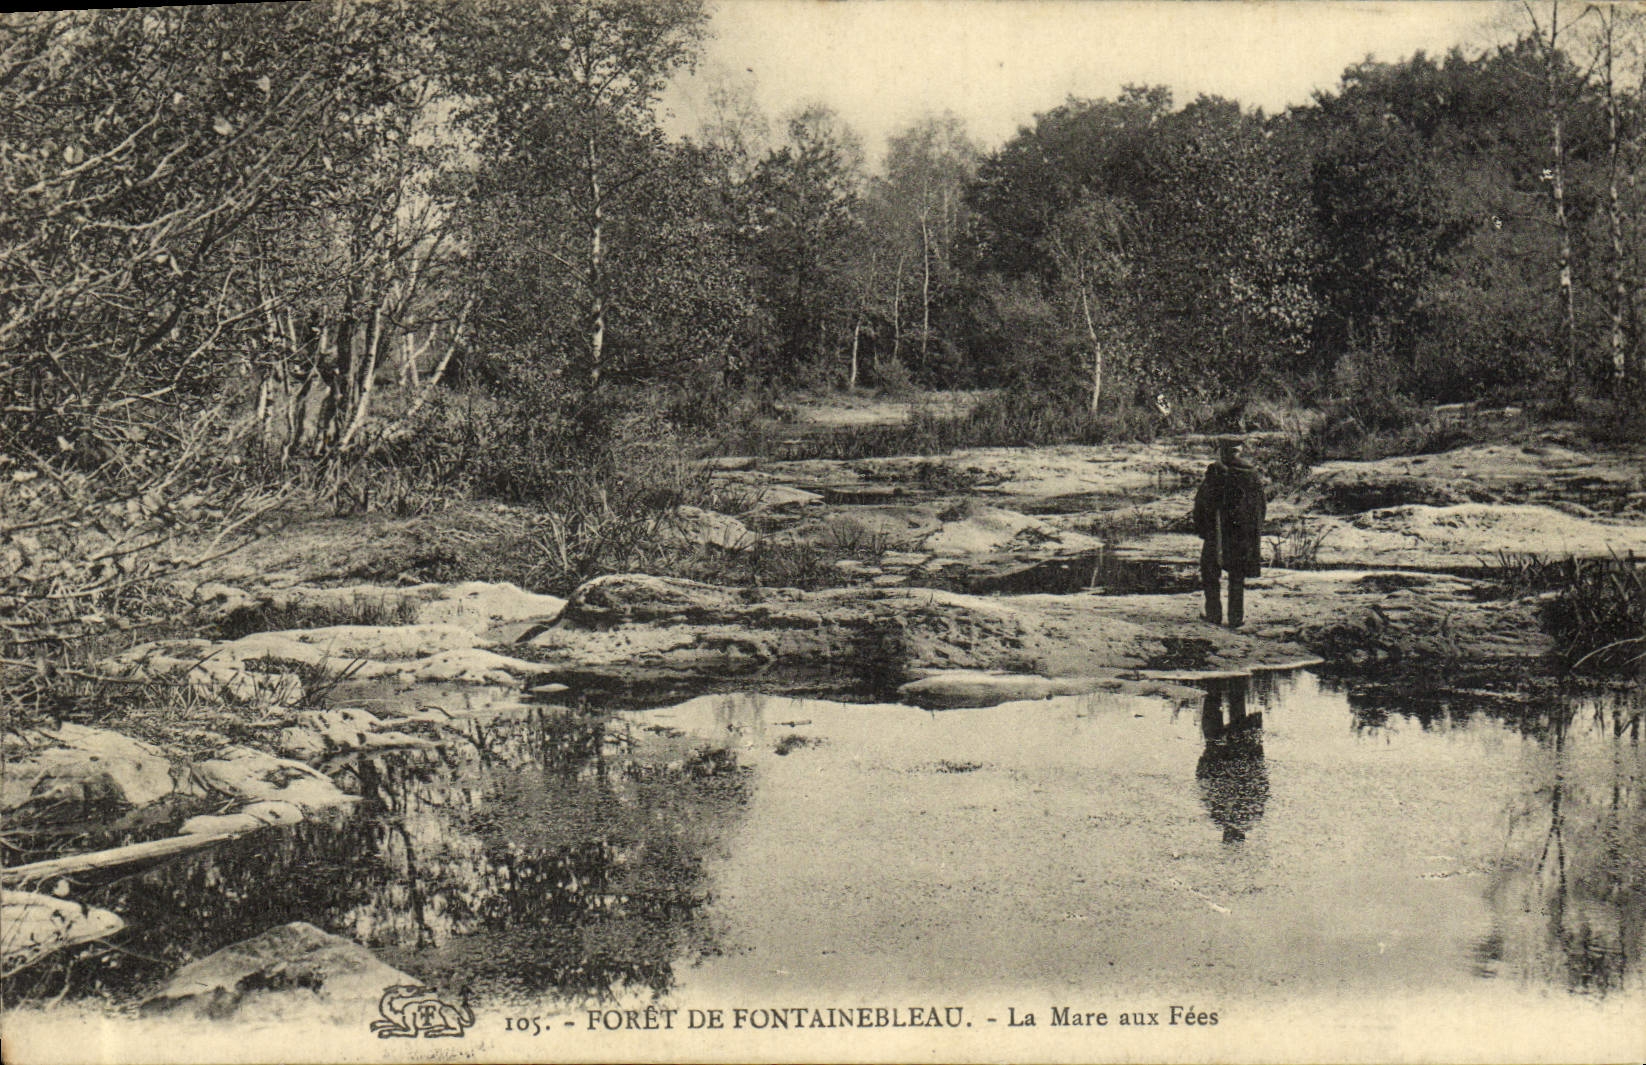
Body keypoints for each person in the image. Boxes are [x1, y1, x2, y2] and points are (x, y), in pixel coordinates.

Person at [1192, 434, 1265, 628]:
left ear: (1222, 451)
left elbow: (1202, 501)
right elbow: (1259, 507)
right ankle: (1235, 618)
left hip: (1216, 532)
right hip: (1241, 534)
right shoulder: (1251, 474)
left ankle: (1214, 614)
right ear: (1240, 450)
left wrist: (1202, 527)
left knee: (1209, 571)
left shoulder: (1216, 472)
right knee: (1236, 576)